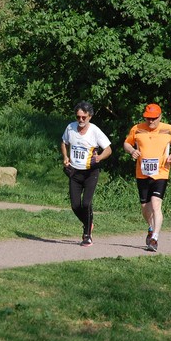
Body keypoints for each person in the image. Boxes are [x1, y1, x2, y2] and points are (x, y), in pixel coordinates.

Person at [123, 103, 171, 252]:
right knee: (145, 208)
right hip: (142, 173)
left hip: (161, 172)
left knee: (156, 204)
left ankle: (154, 238)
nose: (151, 121)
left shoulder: (169, 129)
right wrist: (131, 151)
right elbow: (126, 144)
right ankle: (150, 227)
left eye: (154, 118)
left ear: (160, 116)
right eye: (148, 118)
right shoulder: (137, 129)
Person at [61, 101, 112, 247]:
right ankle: (88, 223)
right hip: (74, 172)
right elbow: (64, 142)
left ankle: (87, 235)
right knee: (75, 206)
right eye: (78, 117)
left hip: (90, 172)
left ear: (90, 116)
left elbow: (108, 149)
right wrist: (65, 157)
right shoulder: (70, 128)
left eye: (84, 117)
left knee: (86, 203)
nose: (81, 120)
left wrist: (100, 157)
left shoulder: (95, 131)